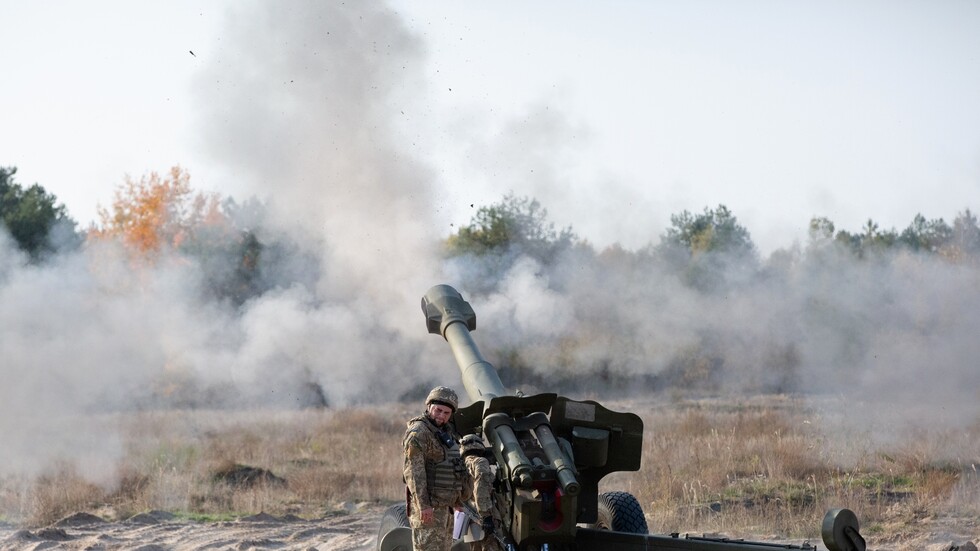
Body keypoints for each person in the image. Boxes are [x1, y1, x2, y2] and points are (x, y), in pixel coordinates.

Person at [403, 386, 468, 551]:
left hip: (446, 509)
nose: (441, 416)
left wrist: (457, 500)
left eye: (446, 413)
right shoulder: (419, 433)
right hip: (428, 510)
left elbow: (454, 466)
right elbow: (414, 473)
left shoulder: (446, 432)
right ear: (429, 406)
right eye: (438, 410)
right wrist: (424, 505)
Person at [460, 433, 502, 551]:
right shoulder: (480, 462)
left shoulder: (460, 465)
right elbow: (480, 488)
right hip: (484, 516)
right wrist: (486, 516)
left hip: (469, 516)